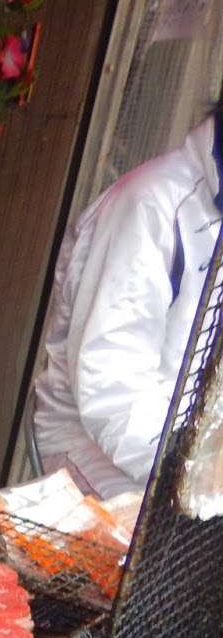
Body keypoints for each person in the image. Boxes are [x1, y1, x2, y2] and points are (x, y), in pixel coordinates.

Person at [30, 101, 223, 499]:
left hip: (194, 446)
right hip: (93, 445)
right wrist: (193, 471)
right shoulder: (151, 204)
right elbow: (111, 387)